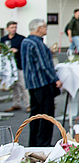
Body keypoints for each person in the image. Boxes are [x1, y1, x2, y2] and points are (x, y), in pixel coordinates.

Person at [20, 19, 63, 147]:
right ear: (39, 29)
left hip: (31, 82)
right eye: (44, 27)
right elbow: (44, 65)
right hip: (42, 82)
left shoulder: (25, 42)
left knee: (34, 114)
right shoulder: (37, 43)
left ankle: (33, 142)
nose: (46, 29)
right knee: (46, 114)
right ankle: (44, 143)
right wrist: (56, 79)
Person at [1, 21, 30, 113]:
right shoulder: (3, 39)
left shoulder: (21, 38)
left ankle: (28, 104)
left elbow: (25, 50)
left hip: (19, 64)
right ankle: (16, 103)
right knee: (13, 85)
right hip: (8, 66)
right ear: (7, 29)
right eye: (12, 27)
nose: (14, 29)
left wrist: (17, 50)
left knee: (23, 85)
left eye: (15, 27)